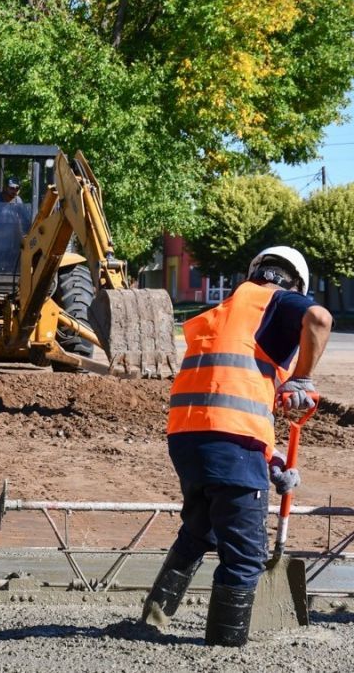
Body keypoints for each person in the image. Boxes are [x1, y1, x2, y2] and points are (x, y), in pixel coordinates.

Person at [141, 245, 332, 647]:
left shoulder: (224, 312)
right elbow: (319, 318)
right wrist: (302, 378)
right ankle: (224, 649)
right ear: (294, 281)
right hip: (230, 443)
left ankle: (151, 619)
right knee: (245, 558)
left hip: (187, 440)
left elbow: (226, 393)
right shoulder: (278, 301)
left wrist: (270, 458)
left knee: (200, 531)